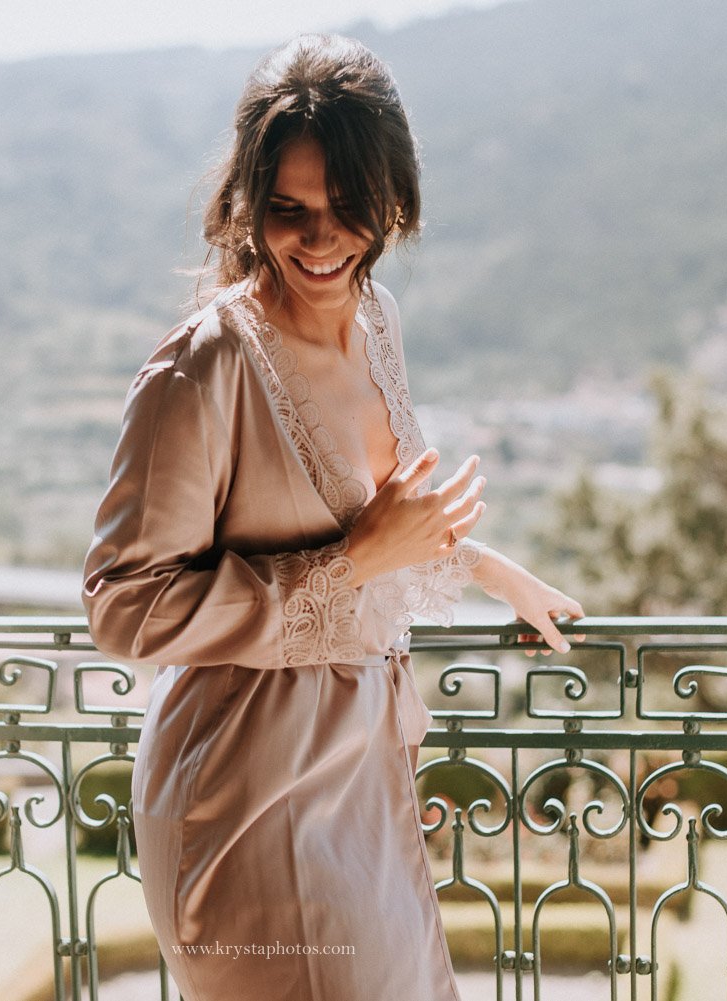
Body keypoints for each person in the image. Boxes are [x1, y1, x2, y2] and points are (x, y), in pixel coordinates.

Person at [82, 34, 583, 1001]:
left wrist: (483, 567)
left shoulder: (378, 317)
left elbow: (370, 524)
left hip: (363, 775)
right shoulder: (205, 369)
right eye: (289, 211)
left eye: (347, 209)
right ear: (247, 205)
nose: (320, 241)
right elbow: (123, 609)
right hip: (245, 793)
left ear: (391, 200)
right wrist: (352, 564)